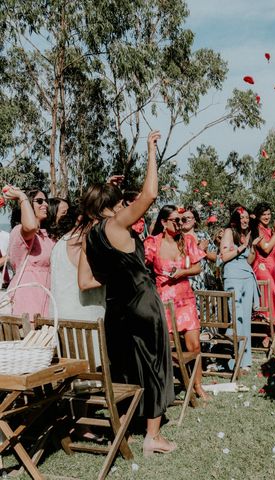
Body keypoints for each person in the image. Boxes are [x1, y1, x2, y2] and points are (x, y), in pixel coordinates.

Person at [83, 130, 176, 456]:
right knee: (155, 364)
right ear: (112, 207)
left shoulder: (89, 235)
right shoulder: (116, 226)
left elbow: (91, 277)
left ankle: (123, 424)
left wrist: (108, 188)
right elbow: (150, 194)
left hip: (115, 307)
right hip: (142, 302)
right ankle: (153, 436)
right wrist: (151, 150)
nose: (126, 203)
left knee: (126, 367)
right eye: (121, 200)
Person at [144, 205, 208, 399]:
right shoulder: (152, 242)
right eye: (176, 220)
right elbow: (141, 268)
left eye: (182, 220)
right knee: (166, 348)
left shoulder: (187, 241)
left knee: (194, 345)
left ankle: (198, 385)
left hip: (186, 299)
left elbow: (197, 267)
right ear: (164, 222)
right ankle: (165, 387)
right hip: (164, 301)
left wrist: (183, 272)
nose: (181, 224)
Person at [220, 206, 261, 372]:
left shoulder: (248, 234)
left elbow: (249, 260)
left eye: (247, 218)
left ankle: (246, 360)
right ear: (235, 219)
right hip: (233, 277)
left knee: (246, 319)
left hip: (247, 277)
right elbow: (224, 257)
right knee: (237, 318)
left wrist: (253, 247)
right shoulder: (229, 232)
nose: (245, 220)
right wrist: (241, 247)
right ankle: (235, 357)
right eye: (242, 217)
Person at [3, 187, 55, 317]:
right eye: (39, 201)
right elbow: (30, 226)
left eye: (45, 201)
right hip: (27, 303)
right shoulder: (19, 231)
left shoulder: (47, 236)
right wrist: (21, 196)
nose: (46, 204)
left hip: (49, 302)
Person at [251, 202, 275, 336]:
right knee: (267, 302)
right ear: (258, 216)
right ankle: (267, 332)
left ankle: (268, 332)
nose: (267, 217)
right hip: (262, 269)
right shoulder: (257, 229)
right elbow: (266, 248)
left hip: (271, 269)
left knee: (272, 301)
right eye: (264, 214)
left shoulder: (269, 231)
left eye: (269, 214)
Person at [180, 206, 218, 292]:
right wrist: (199, 250)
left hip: (205, 280)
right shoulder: (177, 238)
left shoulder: (203, 235)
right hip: (187, 280)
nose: (186, 220)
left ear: (195, 220)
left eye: (189, 217)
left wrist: (204, 251)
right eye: (183, 218)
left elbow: (214, 257)